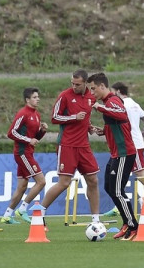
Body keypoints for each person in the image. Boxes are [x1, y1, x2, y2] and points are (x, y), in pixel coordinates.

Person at [39, 70, 101, 225]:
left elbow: (86, 118)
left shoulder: (90, 97)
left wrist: (89, 127)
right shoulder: (65, 96)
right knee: (64, 182)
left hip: (84, 145)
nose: (74, 86)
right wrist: (73, 117)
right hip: (67, 144)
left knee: (93, 180)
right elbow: (54, 117)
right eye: (72, 83)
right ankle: (39, 212)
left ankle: (95, 220)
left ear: (85, 83)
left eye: (78, 84)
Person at [103, 82, 144, 219]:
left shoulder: (120, 104)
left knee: (141, 175)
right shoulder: (134, 103)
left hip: (131, 144)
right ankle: (118, 206)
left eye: (113, 91)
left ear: (119, 91)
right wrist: (143, 133)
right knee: (123, 176)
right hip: (134, 142)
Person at [88, 73, 138, 240]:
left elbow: (121, 115)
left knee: (117, 190)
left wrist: (98, 107)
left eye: (93, 89)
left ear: (102, 86)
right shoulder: (108, 103)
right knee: (110, 188)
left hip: (124, 153)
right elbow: (120, 124)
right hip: (117, 154)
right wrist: (104, 131)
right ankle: (127, 222)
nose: (92, 92)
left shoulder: (112, 101)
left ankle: (132, 226)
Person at [1, 87, 48, 224]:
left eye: (38, 97)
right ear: (27, 100)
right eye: (34, 97)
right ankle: (22, 209)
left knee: (22, 186)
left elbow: (35, 138)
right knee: (41, 181)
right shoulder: (23, 113)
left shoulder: (36, 114)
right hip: (22, 153)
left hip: (28, 152)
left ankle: (7, 215)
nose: (37, 99)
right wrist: (28, 140)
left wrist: (42, 131)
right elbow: (11, 133)